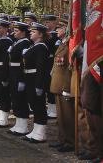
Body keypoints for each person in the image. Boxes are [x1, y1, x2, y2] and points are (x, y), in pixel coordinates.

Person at [48, 18, 74, 152]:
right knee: (61, 116)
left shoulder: (70, 44)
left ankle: (69, 141)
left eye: (60, 28)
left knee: (68, 116)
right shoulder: (63, 43)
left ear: (66, 29)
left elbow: (69, 67)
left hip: (64, 85)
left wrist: (68, 87)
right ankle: (62, 139)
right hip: (57, 84)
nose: (56, 30)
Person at [22, 22, 49, 143]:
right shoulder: (33, 46)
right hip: (29, 77)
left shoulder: (41, 47)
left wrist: (39, 85)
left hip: (35, 79)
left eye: (33, 32)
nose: (30, 33)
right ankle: (36, 129)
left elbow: (41, 68)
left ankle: (41, 132)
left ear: (40, 34)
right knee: (33, 104)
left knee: (39, 105)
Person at [7, 21, 31, 135]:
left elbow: (24, 63)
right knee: (15, 98)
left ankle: (23, 125)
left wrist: (22, 79)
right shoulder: (17, 42)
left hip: (19, 73)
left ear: (23, 32)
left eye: (16, 31)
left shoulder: (25, 43)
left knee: (21, 99)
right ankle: (18, 123)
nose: (14, 33)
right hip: (13, 73)